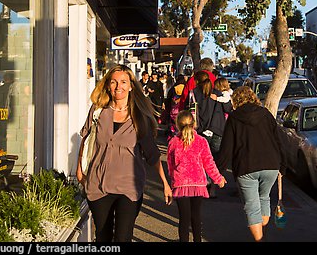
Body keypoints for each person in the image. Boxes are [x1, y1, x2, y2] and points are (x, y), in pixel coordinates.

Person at [76, 64, 173, 242]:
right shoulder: (97, 111)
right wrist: (79, 170)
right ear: (107, 85)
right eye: (113, 82)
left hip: (129, 187)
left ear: (130, 86)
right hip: (98, 185)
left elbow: (152, 154)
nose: (118, 86)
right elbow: (86, 138)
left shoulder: (139, 116)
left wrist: (165, 183)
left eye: (123, 82)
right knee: (102, 237)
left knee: (123, 237)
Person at [215, 85, 287, 242]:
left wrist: (217, 172)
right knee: (264, 198)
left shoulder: (234, 118)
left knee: (252, 206)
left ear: (236, 100)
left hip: (246, 166)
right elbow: (278, 141)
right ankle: (260, 233)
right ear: (253, 97)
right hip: (271, 165)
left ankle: (259, 238)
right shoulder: (266, 115)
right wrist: (282, 165)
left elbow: (226, 148)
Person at [166, 110, 227, 242]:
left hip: (181, 184)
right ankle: (197, 240)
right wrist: (218, 178)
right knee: (196, 216)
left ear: (177, 124)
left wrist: (172, 182)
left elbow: (170, 165)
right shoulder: (201, 141)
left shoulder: (173, 142)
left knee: (184, 218)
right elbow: (209, 163)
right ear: (194, 124)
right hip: (198, 183)